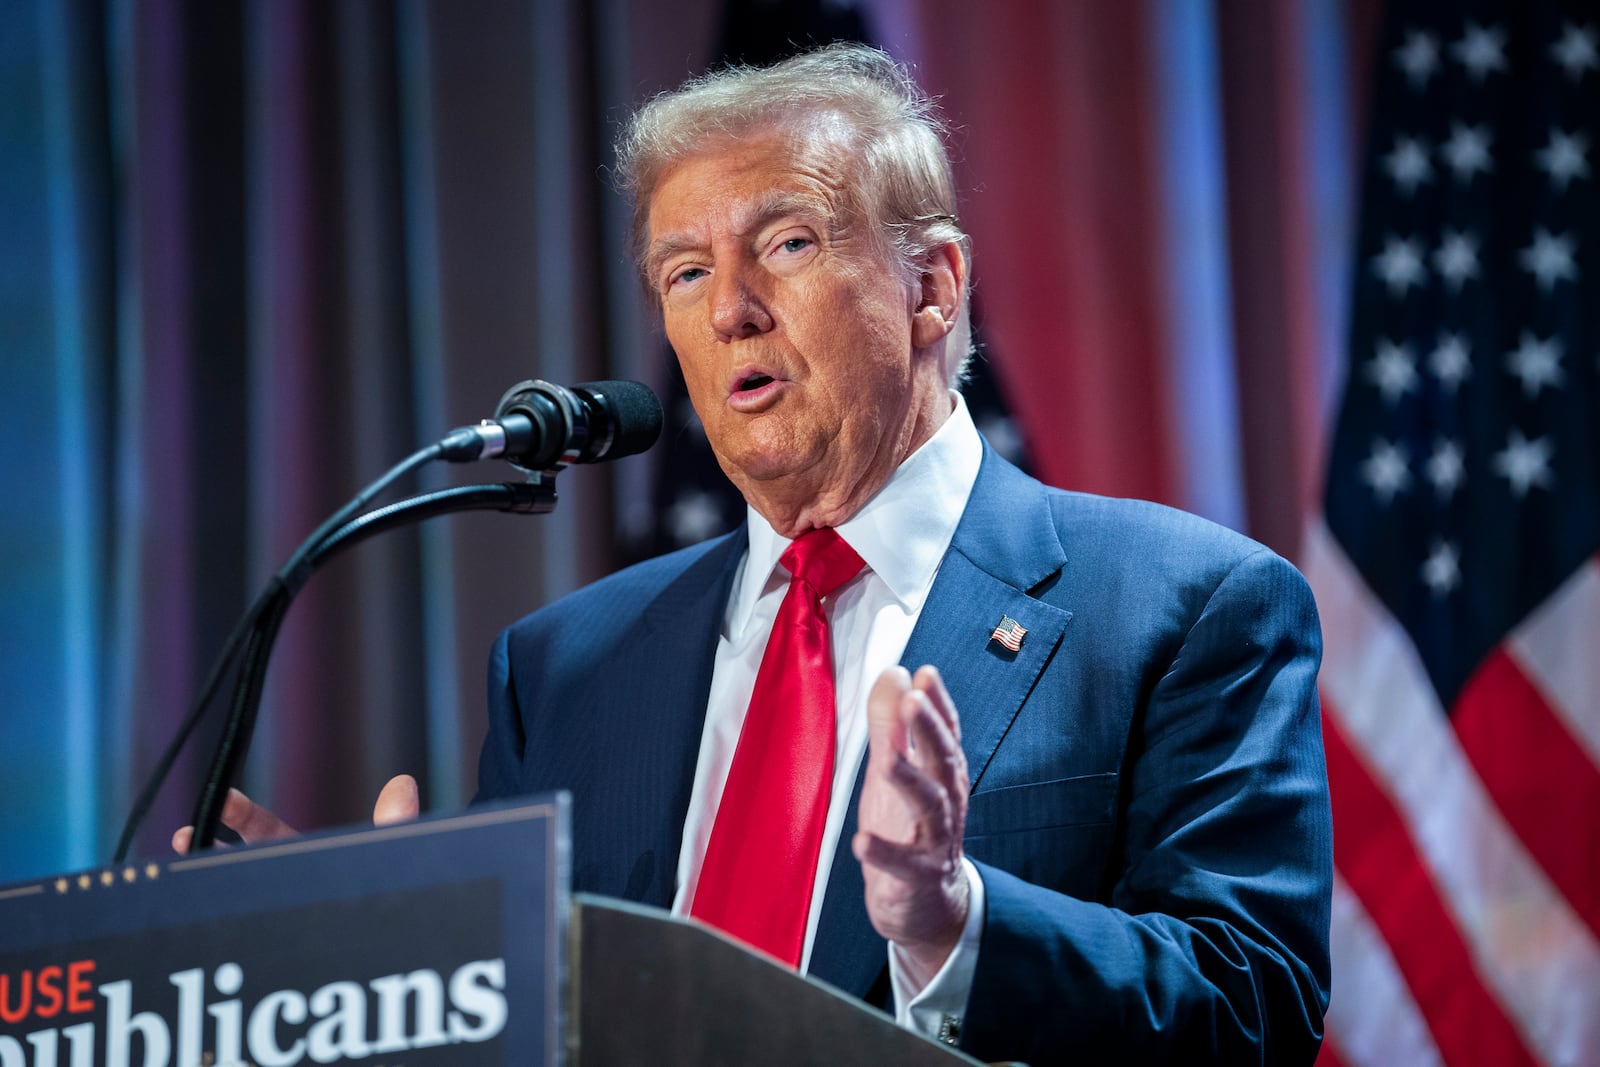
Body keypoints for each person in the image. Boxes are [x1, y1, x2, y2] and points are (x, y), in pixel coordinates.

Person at [186, 43, 1332, 1064]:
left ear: (931, 289)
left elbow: (1254, 1005)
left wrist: (952, 920)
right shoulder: (563, 666)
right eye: (684, 272)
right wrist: (395, 961)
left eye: (786, 241)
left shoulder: (1182, 606)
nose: (730, 308)